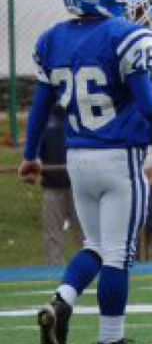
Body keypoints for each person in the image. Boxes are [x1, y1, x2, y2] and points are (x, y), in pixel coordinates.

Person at [20, 0, 152, 344]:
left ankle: (61, 302)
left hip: (78, 157)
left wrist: (29, 156)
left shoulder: (51, 39)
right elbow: (147, 103)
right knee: (119, 255)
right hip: (119, 157)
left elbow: (39, 109)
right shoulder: (126, 35)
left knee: (96, 245)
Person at [38, 106, 83, 265]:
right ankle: (53, 268)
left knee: (84, 231)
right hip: (51, 186)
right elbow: (36, 150)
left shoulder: (78, 118)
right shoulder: (43, 122)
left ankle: (88, 266)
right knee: (53, 233)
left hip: (77, 186)